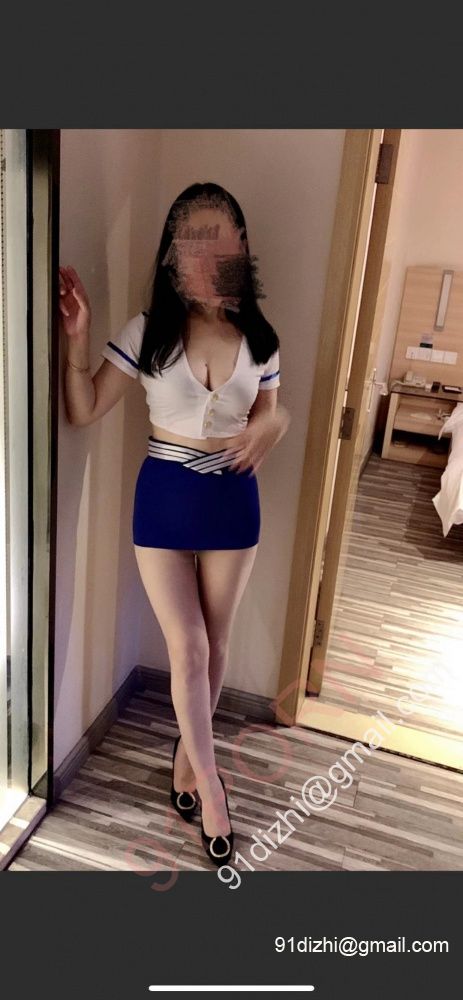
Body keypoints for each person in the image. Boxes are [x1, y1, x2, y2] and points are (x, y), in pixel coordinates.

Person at [59, 181, 290, 867]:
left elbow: (269, 418)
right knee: (187, 649)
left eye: (220, 240)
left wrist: (274, 426)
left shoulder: (262, 340)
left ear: (241, 250)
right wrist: (78, 339)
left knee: (213, 649)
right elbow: (83, 409)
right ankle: (212, 788)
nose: (207, 254)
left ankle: (187, 764)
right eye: (193, 241)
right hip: (164, 497)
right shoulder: (146, 332)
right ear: (174, 255)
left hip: (233, 503)